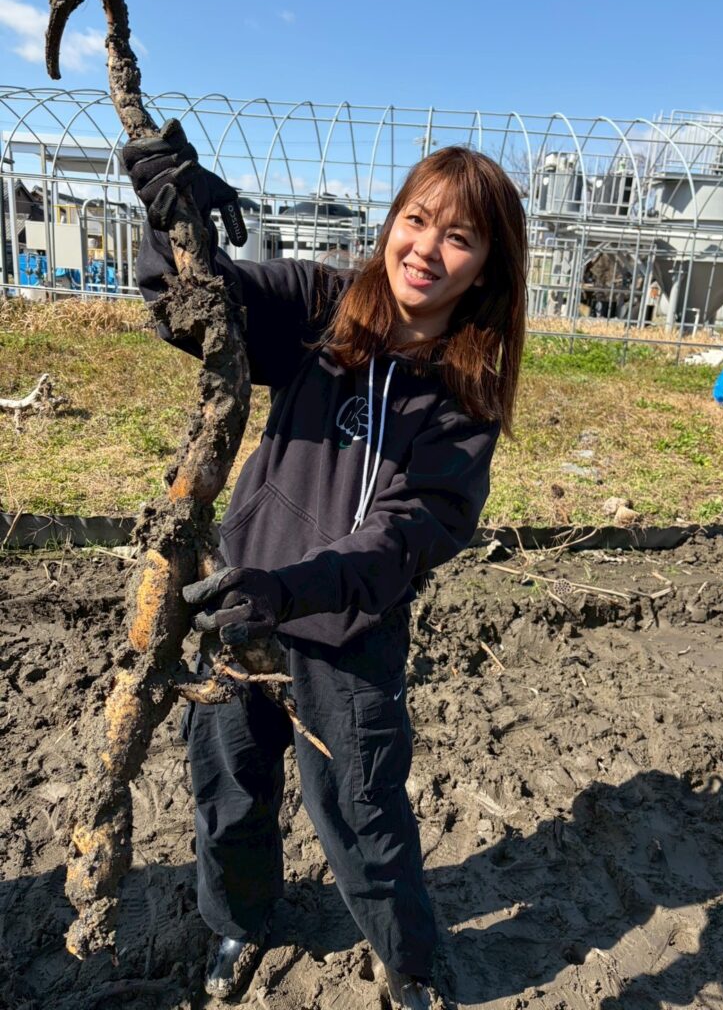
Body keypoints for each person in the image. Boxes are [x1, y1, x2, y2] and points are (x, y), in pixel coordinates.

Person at [125, 120, 527, 1008]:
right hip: (239, 606)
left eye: (459, 237)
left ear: (488, 266)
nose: (427, 250)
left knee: (363, 809)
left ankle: (406, 962)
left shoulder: (464, 402)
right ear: (392, 222)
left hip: (348, 638)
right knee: (228, 789)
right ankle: (240, 920)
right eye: (416, 220)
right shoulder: (323, 307)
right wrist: (173, 219)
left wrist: (292, 589)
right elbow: (195, 307)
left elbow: (403, 536)